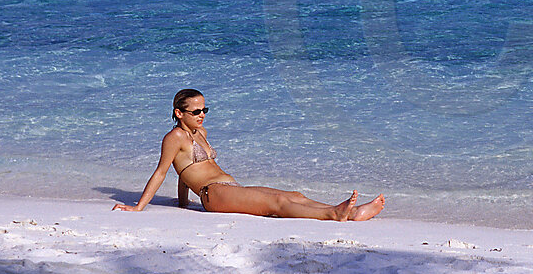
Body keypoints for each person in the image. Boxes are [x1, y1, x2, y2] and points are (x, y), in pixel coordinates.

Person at [113, 89, 385, 221]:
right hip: (214, 194)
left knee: (294, 195)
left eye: (205, 110)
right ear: (178, 113)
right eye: (196, 111)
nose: (202, 115)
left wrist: (182, 203)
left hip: (228, 187)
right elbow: (162, 171)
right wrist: (138, 207)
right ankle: (334, 215)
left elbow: (183, 174)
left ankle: (347, 212)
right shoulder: (174, 138)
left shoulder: (201, 133)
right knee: (276, 203)